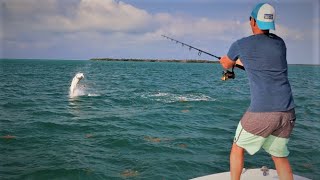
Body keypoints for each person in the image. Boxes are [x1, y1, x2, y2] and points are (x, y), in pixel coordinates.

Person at [219, 3, 296, 180]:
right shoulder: (280, 44)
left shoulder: (240, 44)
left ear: (252, 21)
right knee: (279, 157)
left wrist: (228, 62)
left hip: (263, 111)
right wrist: (241, 64)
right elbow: (266, 66)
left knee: (237, 148)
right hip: (288, 112)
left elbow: (227, 64)